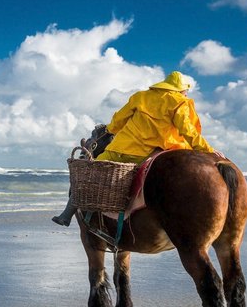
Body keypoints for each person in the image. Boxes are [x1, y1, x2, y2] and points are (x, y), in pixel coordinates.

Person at [53, 71, 221, 226]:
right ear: (181, 90)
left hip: (123, 148)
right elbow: (188, 131)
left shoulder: (141, 97)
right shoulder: (179, 103)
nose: (186, 94)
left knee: (91, 173)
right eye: (185, 91)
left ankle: (66, 215)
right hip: (153, 151)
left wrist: (111, 130)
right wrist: (207, 150)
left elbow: (118, 121)